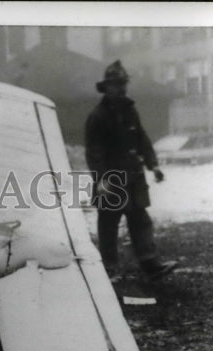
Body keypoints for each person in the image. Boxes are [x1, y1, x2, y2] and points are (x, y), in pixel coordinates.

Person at [85, 61, 176, 284]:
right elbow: (94, 153)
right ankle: (108, 270)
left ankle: (151, 264)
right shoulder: (97, 117)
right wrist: (101, 181)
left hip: (133, 179)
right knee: (108, 226)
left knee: (141, 221)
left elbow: (142, 139)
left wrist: (153, 165)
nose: (121, 89)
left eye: (123, 84)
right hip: (111, 180)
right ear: (106, 87)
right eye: (116, 85)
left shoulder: (130, 110)